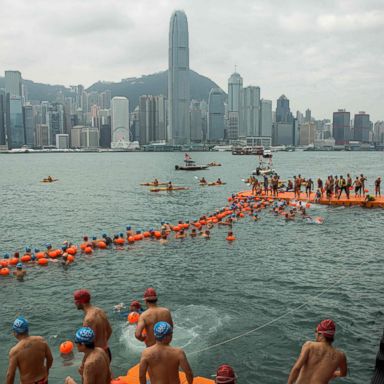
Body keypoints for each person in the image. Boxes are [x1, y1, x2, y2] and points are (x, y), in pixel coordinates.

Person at [287, 319, 347, 384]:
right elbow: (343, 373)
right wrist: (333, 373)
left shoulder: (309, 345)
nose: (315, 334)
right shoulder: (340, 356)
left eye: (316, 331)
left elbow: (296, 368)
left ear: (321, 334)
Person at [6, 316, 53, 384]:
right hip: (43, 381)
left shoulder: (15, 351)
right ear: (27, 329)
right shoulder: (41, 340)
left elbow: (10, 375)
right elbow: (50, 359)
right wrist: (47, 371)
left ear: (15, 332)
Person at [73, 289, 113, 361]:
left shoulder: (88, 320)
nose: (74, 303)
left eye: (75, 301)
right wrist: (102, 345)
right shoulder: (100, 311)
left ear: (80, 302)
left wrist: (84, 362)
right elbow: (110, 331)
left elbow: (88, 346)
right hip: (107, 352)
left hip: (97, 357)